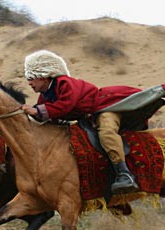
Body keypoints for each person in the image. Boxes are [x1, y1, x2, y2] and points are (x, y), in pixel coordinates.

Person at [21, 50, 148, 194]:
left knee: (106, 132)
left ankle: (124, 174)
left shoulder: (65, 83)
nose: (29, 82)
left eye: (31, 77)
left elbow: (65, 105)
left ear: (44, 76)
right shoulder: (45, 95)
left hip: (104, 108)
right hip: (89, 118)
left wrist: (37, 111)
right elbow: (49, 115)